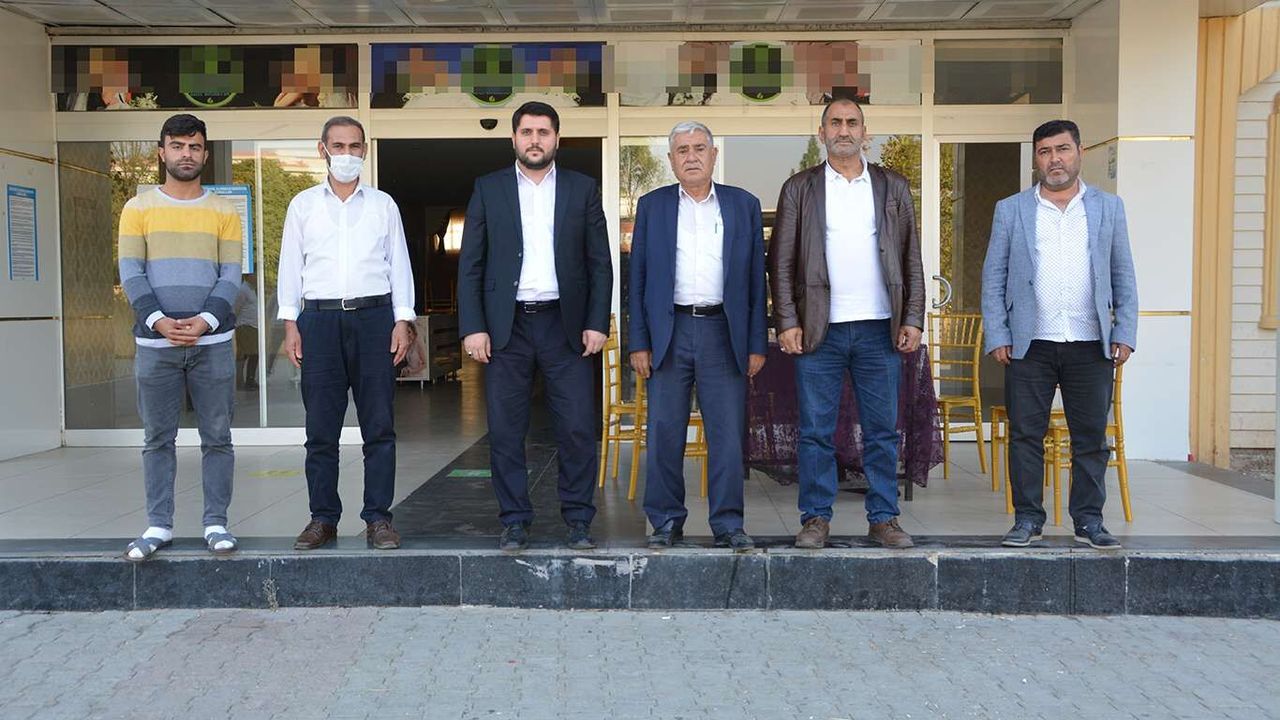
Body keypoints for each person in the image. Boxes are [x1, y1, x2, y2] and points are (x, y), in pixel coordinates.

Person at [769, 98, 926, 550]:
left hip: (880, 328)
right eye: (835, 123)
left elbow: (911, 257)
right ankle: (816, 518)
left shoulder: (892, 186)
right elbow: (781, 261)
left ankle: (884, 518)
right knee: (815, 433)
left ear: (865, 132)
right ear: (821, 133)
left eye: (851, 122)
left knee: (881, 431)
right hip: (820, 330)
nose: (843, 130)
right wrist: (786, 320)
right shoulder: (800, 188)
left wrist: (913, 316)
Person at [457, 101, 612, 551]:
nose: (535, 140)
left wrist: (596, 321)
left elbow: (600, 263)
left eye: (543, 132)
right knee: (506, 430)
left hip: (566, 325)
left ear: (557, 139)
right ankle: (514, 520)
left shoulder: (582, 189)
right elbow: (471, 263)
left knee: (577, 426)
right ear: (514, 139)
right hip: (506, 327)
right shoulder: (488, 188)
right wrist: (473, 327)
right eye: (527, 132)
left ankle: (578, 519)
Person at [982, 119, 1138, 550]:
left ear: (1079, 152)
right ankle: (1027, 519)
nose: (1055, 159)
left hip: (1090, 342)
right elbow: (993, 278)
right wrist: (998, 333)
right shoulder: (1011, 209)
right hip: (1029, 343)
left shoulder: (1108, 208)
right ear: (1036, 159)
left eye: (1062, 149)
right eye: (1045, 151)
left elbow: (1123, 274)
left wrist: (1124, 330)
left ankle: (1088, 520)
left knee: (1090, 438)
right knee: (1025, 435)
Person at [277, 115, 415, 551]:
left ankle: (379, 518)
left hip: (374, 319)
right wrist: (290, 323)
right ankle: (323, 518)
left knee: (379, 426)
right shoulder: (302, 205)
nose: (347, 154)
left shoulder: (383, 205)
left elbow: (399, 265)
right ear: (322, 150)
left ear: (365, 151)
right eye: (338, 146)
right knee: (321, 429)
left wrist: (402, 320)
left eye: (355, 146)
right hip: (318, 322)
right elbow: (290, 266)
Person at [628, 121, 767, 552]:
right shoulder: (652, 206)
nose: (691, 156)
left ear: (714, 155)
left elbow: (756, 281)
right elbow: (637, 278)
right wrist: (638, 341)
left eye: (699, 148)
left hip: (723, 332)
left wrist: (756, 343)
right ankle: (666, 521)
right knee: (664, 432)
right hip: (669, 332)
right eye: (682, 150)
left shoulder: (743, 205)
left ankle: (728, 524)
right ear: (671, 160)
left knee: (726, 436)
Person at [118, 113, 241, 561]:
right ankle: (158, 525)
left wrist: (206, 320)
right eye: (177, 146)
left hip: (213, 345)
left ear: (205, 154)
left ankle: (216, 524)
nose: (185, 154)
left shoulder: (223, 211)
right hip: (156, 345)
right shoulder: (138, 208)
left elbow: (231, 274)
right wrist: (158, 320)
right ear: (162, 152)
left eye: (194, 147)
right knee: (157, 438)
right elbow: (130, 272)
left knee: (217, 437)